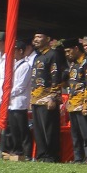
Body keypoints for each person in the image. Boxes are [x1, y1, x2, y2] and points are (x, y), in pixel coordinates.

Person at [28, 28, 65, 163]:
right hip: (36, 98)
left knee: (49, 128)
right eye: (35, 37)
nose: (36, 39)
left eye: (39, 36)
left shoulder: (53, 54)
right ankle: (42, 154)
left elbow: (56, 77)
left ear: (48, 39)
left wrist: (53, 97)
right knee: (38, 129)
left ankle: (51, 155)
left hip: (48, 98)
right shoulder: (37, 56)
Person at [63, 40, 87, 165]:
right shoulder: (73, 64)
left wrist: (86, 105)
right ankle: (78, 158)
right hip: (73, 103)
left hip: (83, 104)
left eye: (69, 51)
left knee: (86, 133)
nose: (68, 54)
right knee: (75, 134)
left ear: (76, 48)